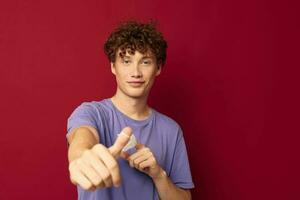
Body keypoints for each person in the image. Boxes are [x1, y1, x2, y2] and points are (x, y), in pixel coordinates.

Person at [66, 20, 194, 200]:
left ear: (158, 68)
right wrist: (82, 156)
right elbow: (82, 138)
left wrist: (158, 174)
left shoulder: (172, 130)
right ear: (113, 66)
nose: (136, 72)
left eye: (145, 61)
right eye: (126, 61)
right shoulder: (90, 113)